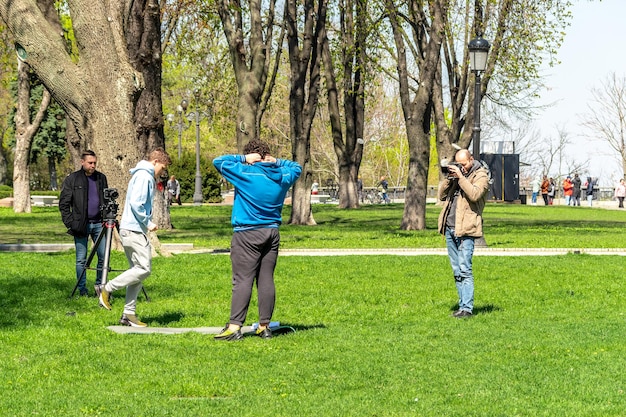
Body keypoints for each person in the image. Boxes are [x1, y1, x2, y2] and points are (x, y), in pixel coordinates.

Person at [212, 140, 301, 340]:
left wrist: (243, 159)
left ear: (252, 157)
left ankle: (234, 327)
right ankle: (264, 326)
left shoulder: (245, 173)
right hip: (272, 232)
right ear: (267, 155)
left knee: (242, 279)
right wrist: (276, 161)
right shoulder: (283, 176)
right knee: (266, 279)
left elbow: (218, 161)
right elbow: (297, 167)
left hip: (247, 233)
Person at [97, 148, 171, 327]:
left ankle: (128, 315)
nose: (162, 172)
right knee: (144, 269)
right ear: (155, 162)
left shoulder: (141, 175)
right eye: (162, 167)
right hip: (134, 230)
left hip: (130, 230)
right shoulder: (145, 176)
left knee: (136, 274)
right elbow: (136, 204)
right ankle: (106, 288)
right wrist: (148, 223)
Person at [437, 149, 489, 318]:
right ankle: (461, 306)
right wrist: (449, 179)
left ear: (471, 160)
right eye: (459, 164)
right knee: (456, 270)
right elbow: (441, 196)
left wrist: (461, 177)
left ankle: (467, 308)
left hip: (467, 229)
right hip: (451, 228)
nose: (462, 167)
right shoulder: (457, 177)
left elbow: (475, 194)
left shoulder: (481, 175)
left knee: (465, 269)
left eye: (464, 164)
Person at [59, 150, 109, 297]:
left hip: (99, 224)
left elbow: (105, 199)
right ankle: (82, 289)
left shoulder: (101, 178)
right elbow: (64, 204)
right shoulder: (72, 179)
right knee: (81, 259)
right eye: (90, 163)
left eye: (95, 163)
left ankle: (100, 286)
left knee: (103, 256)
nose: (93, 165)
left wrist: (106, 217)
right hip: (80, 225)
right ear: (82, 162)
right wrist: (70, 223)